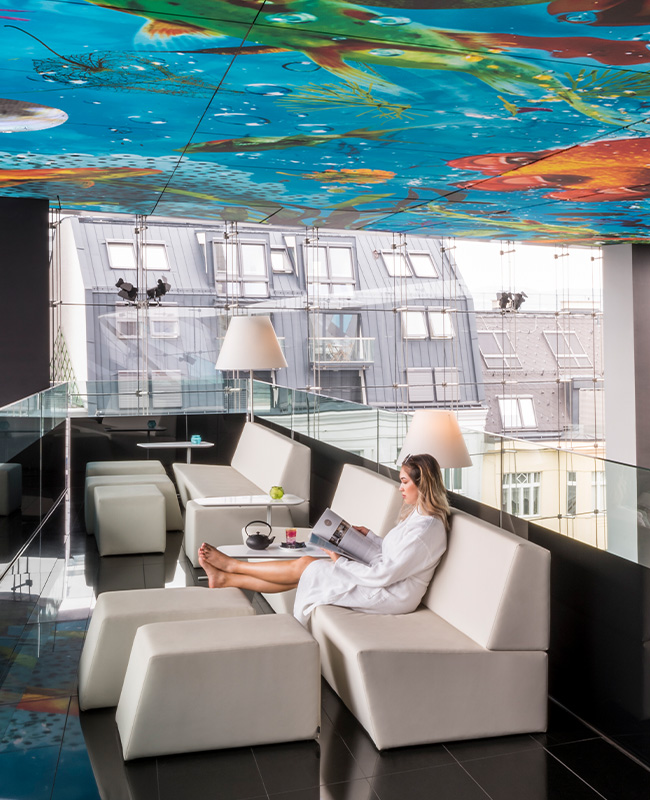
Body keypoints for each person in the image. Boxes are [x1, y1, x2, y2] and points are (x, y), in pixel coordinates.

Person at [198, 453, 449, 626]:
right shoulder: (420, 516)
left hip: (391, 595)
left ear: (422, 484)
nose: (400, 488)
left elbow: (385, 574)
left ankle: (232, 568)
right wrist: (369, 537)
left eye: (404, 482)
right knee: (307, 567)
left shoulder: (425, 531)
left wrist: (340, 561)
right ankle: (227, 577)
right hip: (386, 581)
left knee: (308, 566)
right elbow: (396, 554)